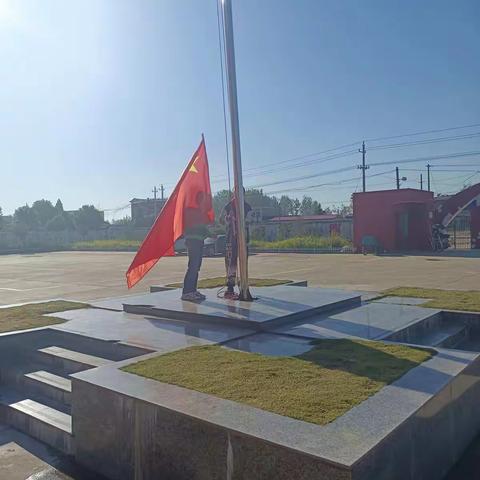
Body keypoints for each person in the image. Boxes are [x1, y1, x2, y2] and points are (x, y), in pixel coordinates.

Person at [221, 190, 252, 299]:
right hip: (231, 237)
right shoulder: (228, 206)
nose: (238, 195)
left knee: (244, 261)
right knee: (231, 262)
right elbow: (221, 220)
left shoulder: (247, 207)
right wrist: (229, 219)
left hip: (243, 236)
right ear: (234, 194)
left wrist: (243, 221)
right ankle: (230, 287)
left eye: (241, 193)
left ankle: (244, 285)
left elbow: (250, 220)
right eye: (236, 193)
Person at [181, 192, 210, 302]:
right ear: (200, 201)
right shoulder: (193, 212)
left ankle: (192, 290)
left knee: (196, 267)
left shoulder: (201, 214)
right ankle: (187, 292)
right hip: (193, 242)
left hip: (199, 241)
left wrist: (211, 234)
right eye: (205, 200)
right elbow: (195, 227)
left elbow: (203, 229)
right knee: (193, 266)